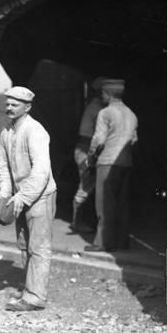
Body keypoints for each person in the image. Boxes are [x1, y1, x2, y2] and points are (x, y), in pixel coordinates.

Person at [0, 86, 57, 312]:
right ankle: (30, 288)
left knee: (38, 246)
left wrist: (23, 196)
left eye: (15, 104)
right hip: (19, 195)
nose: (9, 108)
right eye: (8, 103)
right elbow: (3, 167)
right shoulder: (7, 132)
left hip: (39, 195)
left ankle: (35, 297)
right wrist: (5, 194)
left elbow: (41, 171)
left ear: (28, 107)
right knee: (23, 244)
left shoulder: (35, 131)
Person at [84, 78, 138, 252]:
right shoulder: (131, 114)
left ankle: (103, 243)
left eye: (102, 93)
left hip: (107, 163)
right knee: (122, 204)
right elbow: (134, 140)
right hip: (126, 163)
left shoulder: (105, 113)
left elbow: (98, 140)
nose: (101, 96)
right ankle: (122, 242)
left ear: (108, 94)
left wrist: (90, 157)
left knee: (105, 205)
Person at [70, 77, 106, 233]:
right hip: (87, 150)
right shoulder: (98, 109)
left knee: (88, 186)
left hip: (83, 148)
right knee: (86, 186)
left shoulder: (94, 106)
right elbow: (98, 137)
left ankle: (82, 221)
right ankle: (78, 222)